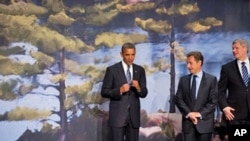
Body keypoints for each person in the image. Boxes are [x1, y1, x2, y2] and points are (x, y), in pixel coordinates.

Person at [101, 42, 148, 141]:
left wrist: (138, 87)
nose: (130, 57)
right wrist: (119, 90)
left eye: (133, 54)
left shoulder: (140, 70)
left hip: (133, 118)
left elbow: (144, 93)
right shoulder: (112, 70)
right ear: (121, 54)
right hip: (118, 117)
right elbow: (104, 91)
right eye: (127, 55)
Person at [175, 51, 218, 141]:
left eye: (191, 63)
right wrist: (189, 114)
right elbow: (179, 99)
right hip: (188, 126)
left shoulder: (211, 80)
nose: (188, 66)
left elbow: (213, 101)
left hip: (205, 125)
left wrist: (199, 114)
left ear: (199, 63)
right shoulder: (183, 80)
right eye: (187, 63)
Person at [218, 39, 250, 140]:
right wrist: (225, 107)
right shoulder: (227, 68)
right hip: (235, 116)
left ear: (245, 49)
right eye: (232, 48)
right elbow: (220, 92)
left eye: (237, 48)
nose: (234, 51)